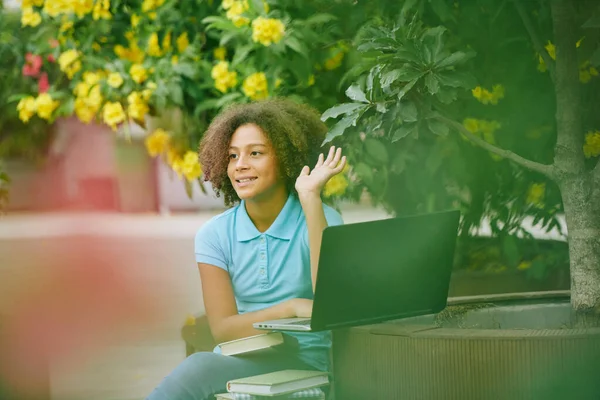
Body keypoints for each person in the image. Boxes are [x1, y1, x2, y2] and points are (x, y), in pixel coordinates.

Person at [146, 98, 346, 400]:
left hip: (306, 363)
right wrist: (290, 308)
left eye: (256, 153)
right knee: (200, 367)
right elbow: (224, 328)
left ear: (286, 159)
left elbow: (329, 300)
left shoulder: (320, 217)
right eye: (232, 156)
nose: (240, 165)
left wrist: (309, 198)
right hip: (243, 358)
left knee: (199, 368)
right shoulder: (214, 234)